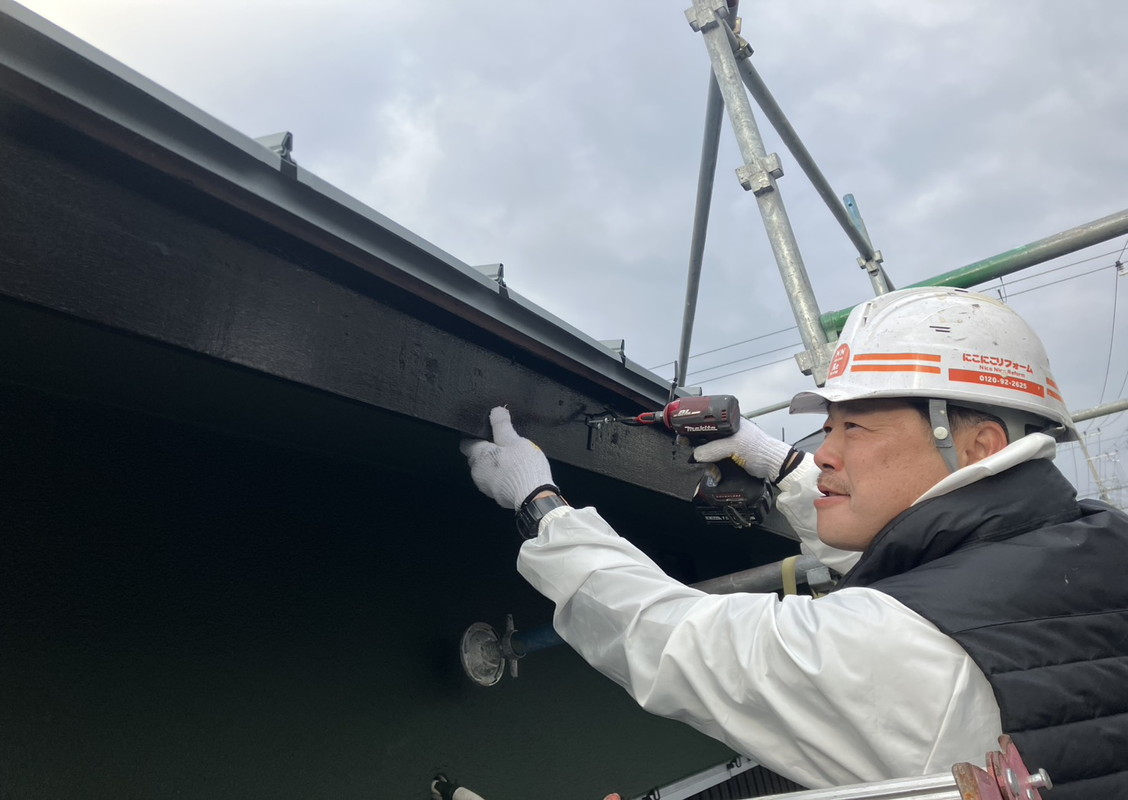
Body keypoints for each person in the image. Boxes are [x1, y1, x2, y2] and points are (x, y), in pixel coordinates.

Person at [460, 287, 1128, 798]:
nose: (825, 453)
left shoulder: (906, 647)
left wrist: (540, 504)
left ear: (980, 445)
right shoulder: (1090, 538)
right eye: (827, 427)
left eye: (854, 428)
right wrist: (777, 464)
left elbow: (668, 638)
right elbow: (917, 562)